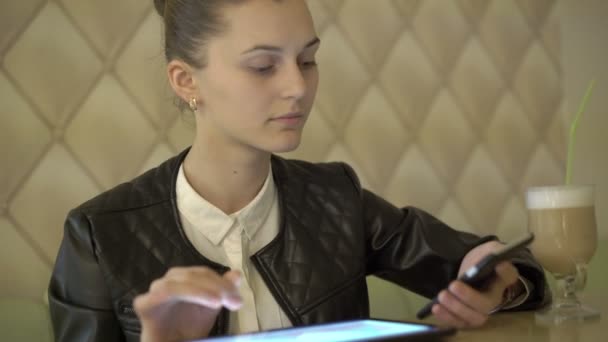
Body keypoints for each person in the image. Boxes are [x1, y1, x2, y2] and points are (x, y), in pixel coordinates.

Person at [48, 1, 549, 341]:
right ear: (185, 81)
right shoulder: (98, 234)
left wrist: (499, 284)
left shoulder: (338, 199)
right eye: (264, 66)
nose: (298, 87)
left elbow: (504, 268)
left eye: (307, 61)